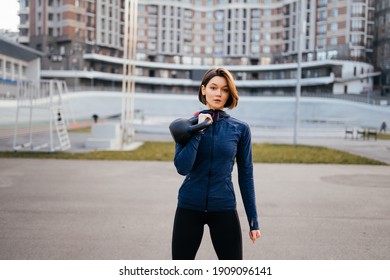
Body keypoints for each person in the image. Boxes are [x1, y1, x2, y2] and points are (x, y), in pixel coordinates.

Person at [171, 67, 261, 260]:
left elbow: (246, 175)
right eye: (213, 87)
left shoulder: (240, 129)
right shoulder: (186, 126)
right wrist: (199, 129)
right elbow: (182, 167)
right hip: (189, 206)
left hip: (223, 207)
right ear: (203, 90)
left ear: (230, 93)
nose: (219, 93)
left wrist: (253, 220)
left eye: (225, 89)